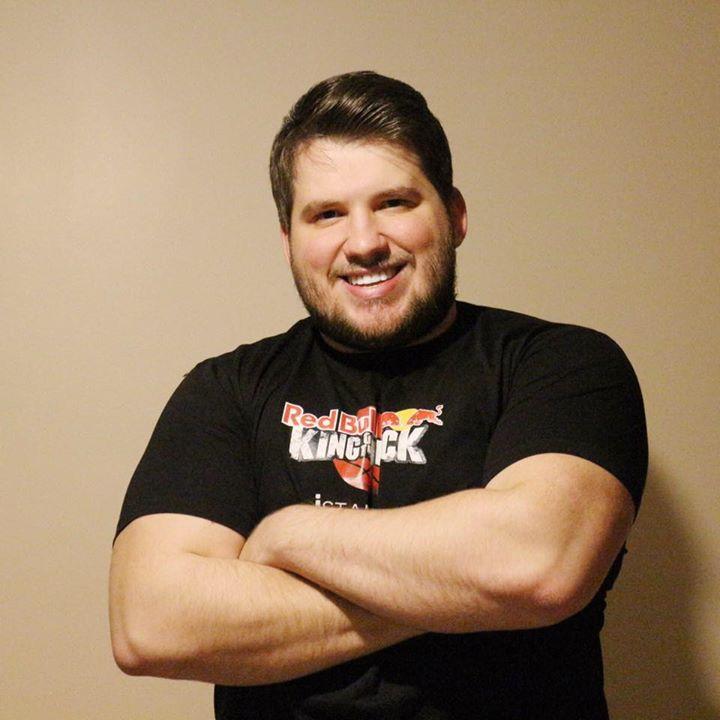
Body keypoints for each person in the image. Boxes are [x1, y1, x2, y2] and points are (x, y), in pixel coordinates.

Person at [110, 71, 647, 720]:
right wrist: (464, 588)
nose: (364, 243)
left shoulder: (562, 365)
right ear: (289, 240)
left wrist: (288, 535)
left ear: (454, 214)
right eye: (327, 214)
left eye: (394, 202)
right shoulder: (226, 389)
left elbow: (539, 564)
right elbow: (152, 623)